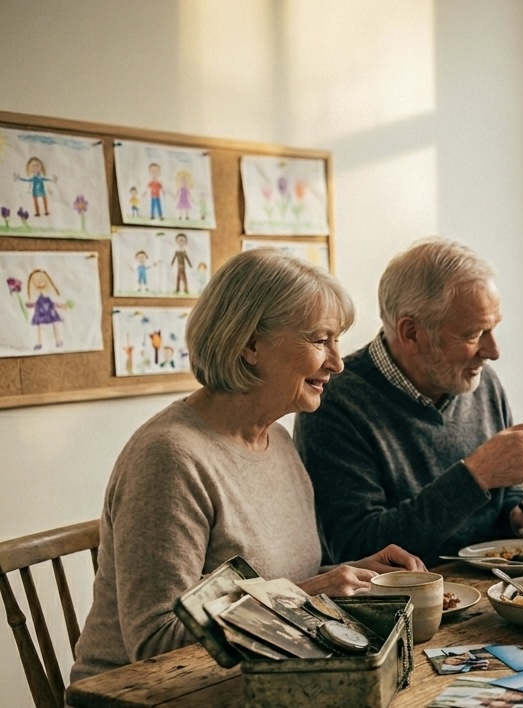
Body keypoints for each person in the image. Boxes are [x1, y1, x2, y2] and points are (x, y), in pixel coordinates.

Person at [71, 249, 424, 682]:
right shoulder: (169, 458)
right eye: (320, 340)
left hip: (254, 681)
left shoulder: (277, 439)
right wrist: (309, 595)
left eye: (338, 340)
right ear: (250, 344)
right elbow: (155, 642)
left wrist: (354, 574)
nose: (338, 361)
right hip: (146, 693)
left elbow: (284, 579)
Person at [294, 238, 523, 567]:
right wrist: (475, 476)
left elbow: (499, 497)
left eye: (493, 329)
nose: (493, 351)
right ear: (411, 332)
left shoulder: (481, 381)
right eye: (473, 334)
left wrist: (521, 514)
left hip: (491, 593)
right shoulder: (335, 403)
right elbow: (356, 549)